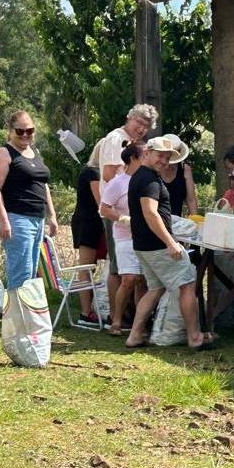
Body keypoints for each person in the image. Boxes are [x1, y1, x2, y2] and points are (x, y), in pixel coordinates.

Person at [124, 136, 215, 351]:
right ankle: (195, 337)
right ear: (147, 153)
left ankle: (134, 336)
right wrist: (171, 242)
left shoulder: (140, 176)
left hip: (144, 245)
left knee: (155, 289)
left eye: (167, 157)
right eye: (160, 156)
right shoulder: (149, 180)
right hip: (158, 246)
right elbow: (151, 214)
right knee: (187, 284)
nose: (164, 161)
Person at [96, 104, 157, 322]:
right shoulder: (117, 138)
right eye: (138, 122)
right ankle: (115, 316)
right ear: (129, 118)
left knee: (134, 270)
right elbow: (109, 173)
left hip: (131, 212)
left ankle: (132, 316)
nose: (141, 128)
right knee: (117, 268)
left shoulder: (134, 143)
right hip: (116, 211)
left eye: (146, 126)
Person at [0, 110, 59, 290]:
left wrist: (51, 215)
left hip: (37, 219)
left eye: (30, 130)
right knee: (21, 274)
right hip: (17, 218)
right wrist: (4, 221)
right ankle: (16, 308)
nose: (25, 134)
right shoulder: (5, 153)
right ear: (10, 131)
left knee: (32, 273)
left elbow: (43, 185)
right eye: (20, 131)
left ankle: (23, 308)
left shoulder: (34, 151)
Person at [99, 141, 147, 336]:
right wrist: (122, 219)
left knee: (142, 281)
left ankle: (139, 325)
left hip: (144, 237)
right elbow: (104, 209)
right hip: (125, 237)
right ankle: (116, 321)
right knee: (128, 279)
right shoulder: (118, 182)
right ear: (133, 158)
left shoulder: (148, 180)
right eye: (144, 155)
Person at [69, 141, 107, 326]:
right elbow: (101, 201)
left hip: (92, 223)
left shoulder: (94, 171)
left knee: (89, 268)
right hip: (88, 223)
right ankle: (85, 313)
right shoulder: (93, 172)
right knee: (86, 268)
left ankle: (90, 309)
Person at [157, 133, 198, 217]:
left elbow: (191, 200)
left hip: (177, 220)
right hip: (154, 219)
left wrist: (195, 220)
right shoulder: (154, 169)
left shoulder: (185, 169)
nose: (167, 165)